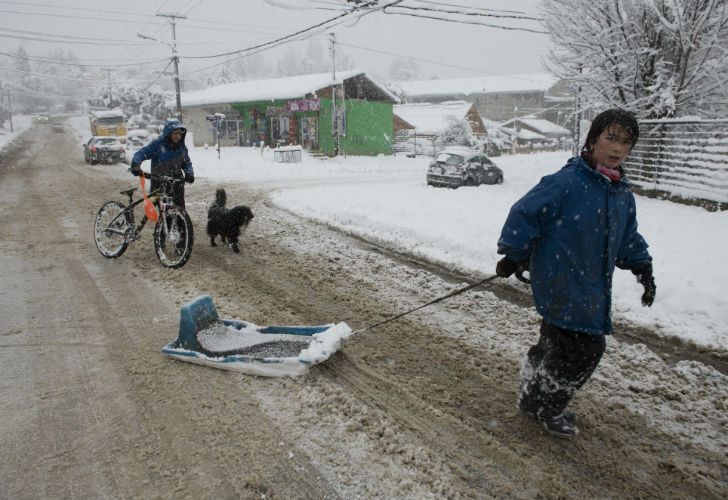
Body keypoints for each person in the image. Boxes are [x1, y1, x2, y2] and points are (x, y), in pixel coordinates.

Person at [495, 108, 656, 439]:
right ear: (593, 138)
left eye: (626, 142)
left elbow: (627, 237)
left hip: (591, 286)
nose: (617, 148)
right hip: (562, 283)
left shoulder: (621, 193)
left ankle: (533, 385)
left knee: (555, 342)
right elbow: (525, 212)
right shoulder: (568, 182)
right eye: (611, 137)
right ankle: (545, 406)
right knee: (585, 350)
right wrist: (514, 254)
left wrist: (643, 267)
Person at [130, 119, 194, 208]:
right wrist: (135, 164)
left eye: (180, 134)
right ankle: (163, 220)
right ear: (169, 133)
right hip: (161, 185)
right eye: (175, 133)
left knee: (180, 212)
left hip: (177, 184)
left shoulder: (182, 148)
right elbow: (141, 154)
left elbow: (186, 163)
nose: (178, 136)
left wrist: (189, 172)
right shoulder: (157, 145)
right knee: (166, 212)